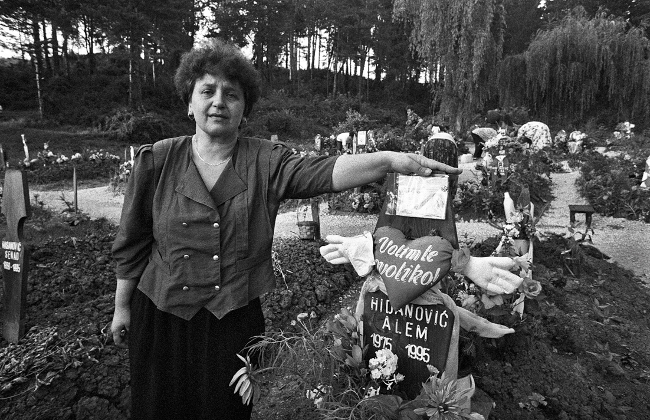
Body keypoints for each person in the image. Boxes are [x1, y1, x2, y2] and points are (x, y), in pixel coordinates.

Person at [109, 38, 462, 420]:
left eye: (232, 94)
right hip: (162, 318)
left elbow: (326, 171)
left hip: (231, 322)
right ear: (188, 102)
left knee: (223, 411)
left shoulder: (266, 160)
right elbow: (133, 243)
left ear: (244, 108)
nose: (219, 102)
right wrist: (121, 308)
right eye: (207, 91)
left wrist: (389, 160)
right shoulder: (158, 160)